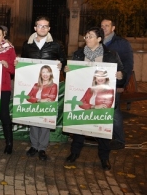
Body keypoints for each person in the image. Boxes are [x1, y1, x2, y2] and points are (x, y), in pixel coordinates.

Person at [65, 27, 124, 170]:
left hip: (103, 102)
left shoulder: (111, 55)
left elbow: (121, 76)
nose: (87, 38)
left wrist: (120, 76)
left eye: (90, 36)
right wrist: (67, 71)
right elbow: (72, 76)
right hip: (86, 97)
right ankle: (74, 153)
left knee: (102, 131)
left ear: (99, 39)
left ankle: (104, 158)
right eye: (85, 36)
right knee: (79, 128)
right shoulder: (78, 54)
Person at [21, 16, 65, 161]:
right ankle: (34, 146)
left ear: (49, 29)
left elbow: (63, 60)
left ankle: (42, 148)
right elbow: (23, 63)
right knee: (34, 118)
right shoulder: (27, 45)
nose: (42, 28)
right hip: (35, 85)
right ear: (35, 28)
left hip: (48, 86)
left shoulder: (56, 45)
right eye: (40, 26)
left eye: (45, 26)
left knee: (45, 119)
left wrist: (61, 64)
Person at [101, 19, 133, 150]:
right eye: (102, 26)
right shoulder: (98, 41)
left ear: (113, 28)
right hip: (100, 83)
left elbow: (128, 65)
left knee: (114, 112)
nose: (104, 28)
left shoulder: (122, 43)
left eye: (107, 26)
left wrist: (122, 83)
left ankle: (119, 140)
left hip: (114, 83)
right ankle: (103, 136)